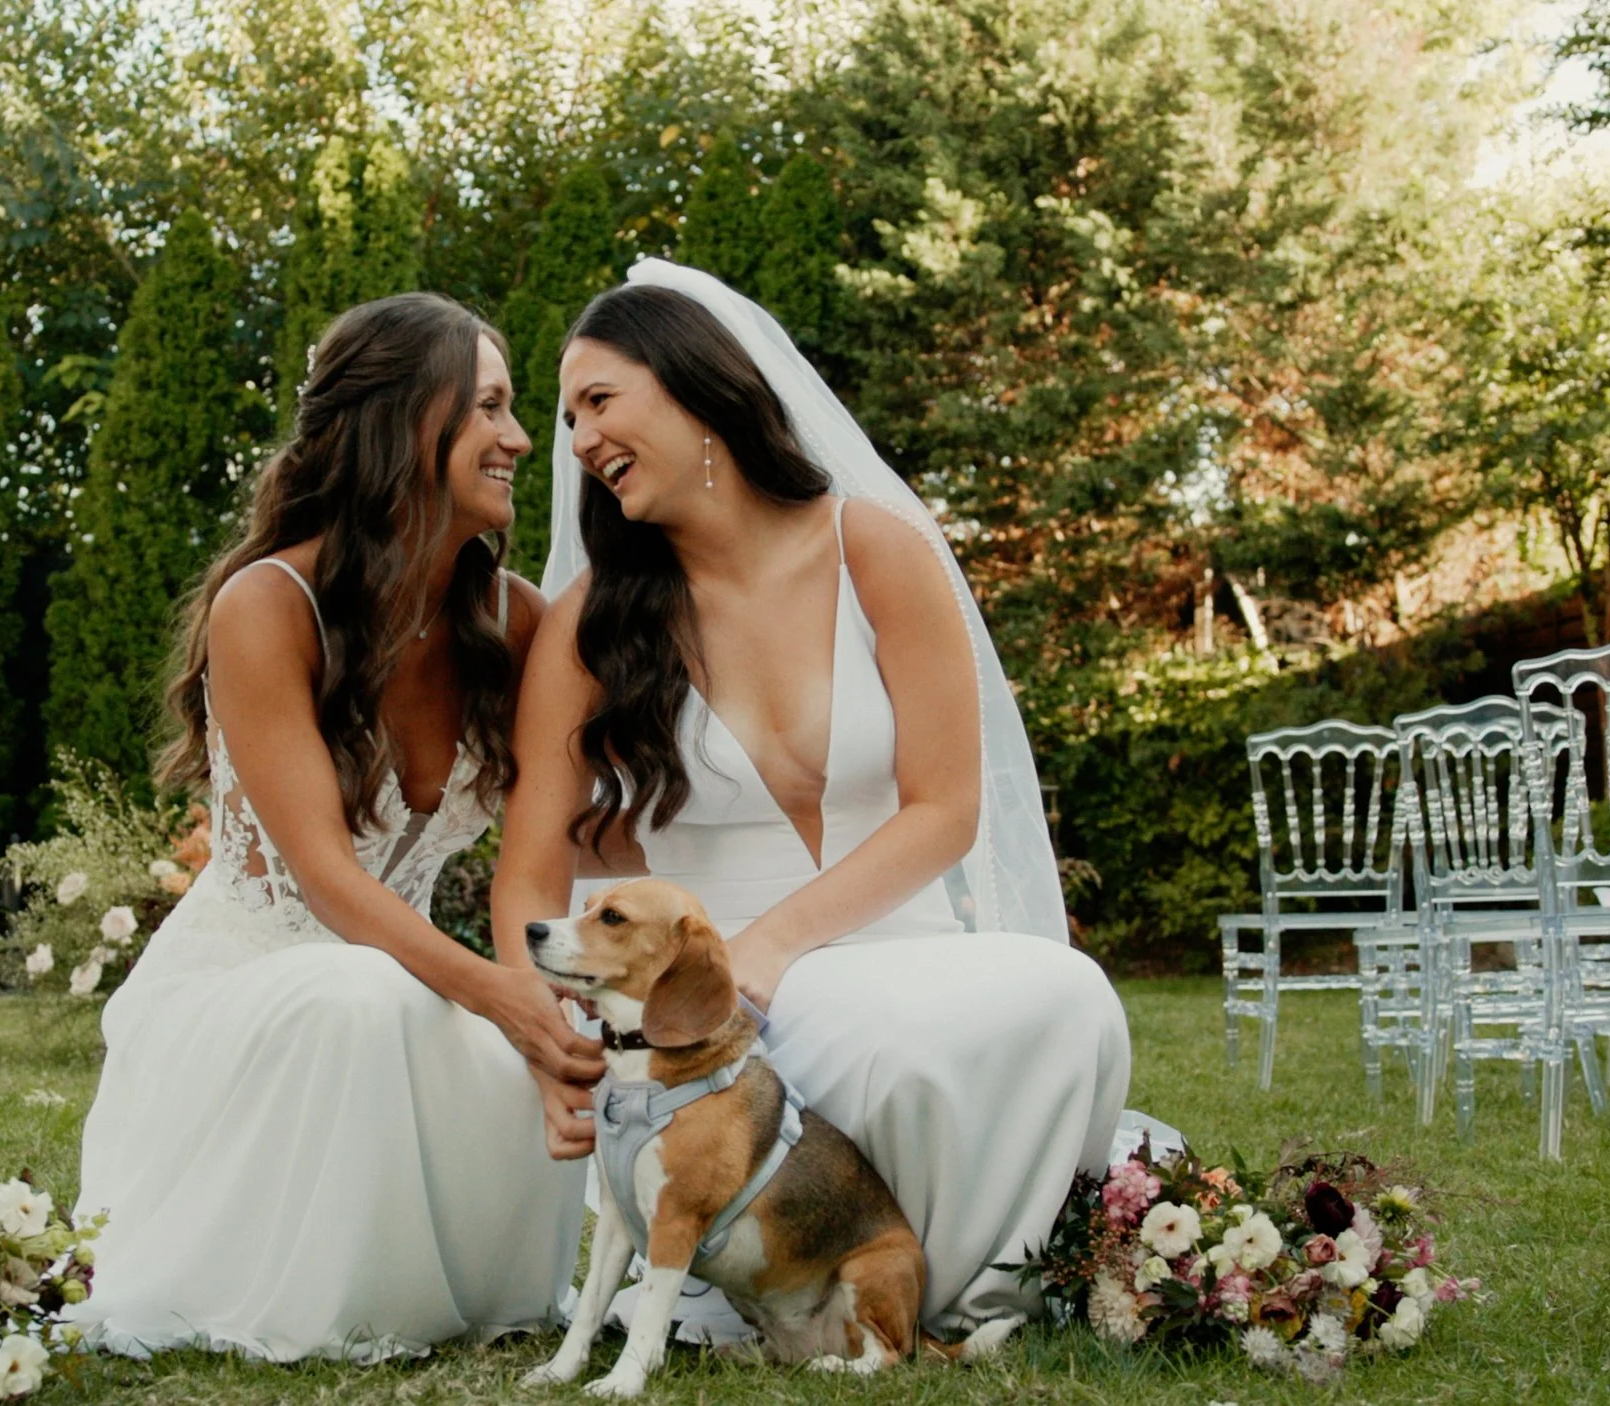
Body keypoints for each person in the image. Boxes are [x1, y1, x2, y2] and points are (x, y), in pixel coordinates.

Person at [489, 261, 1136, 1344]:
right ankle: (853, 1293)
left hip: (887, 935)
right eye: (567, 420)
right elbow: (528, 871)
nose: (579, 442)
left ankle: (969, 1286)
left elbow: (945, 808)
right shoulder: (591, 621)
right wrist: (546, 1029)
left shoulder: (875, 547)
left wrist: (774, 945)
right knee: (889, 1041)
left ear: (697, 387)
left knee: (1068, 995)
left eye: (599, 401)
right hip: (705, 994)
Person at [71, 292, 597, 1362]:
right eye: (489, 407)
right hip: (246, 993)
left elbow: (559, 842)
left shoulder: (518, 623)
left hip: (405, 984)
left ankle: (469, 1286)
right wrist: (497, 993)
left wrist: (540, 1002)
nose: (516, 439)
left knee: (526, 1033)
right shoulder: (268, 604)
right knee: (366, 998)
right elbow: (324, 877)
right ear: (404, 423)